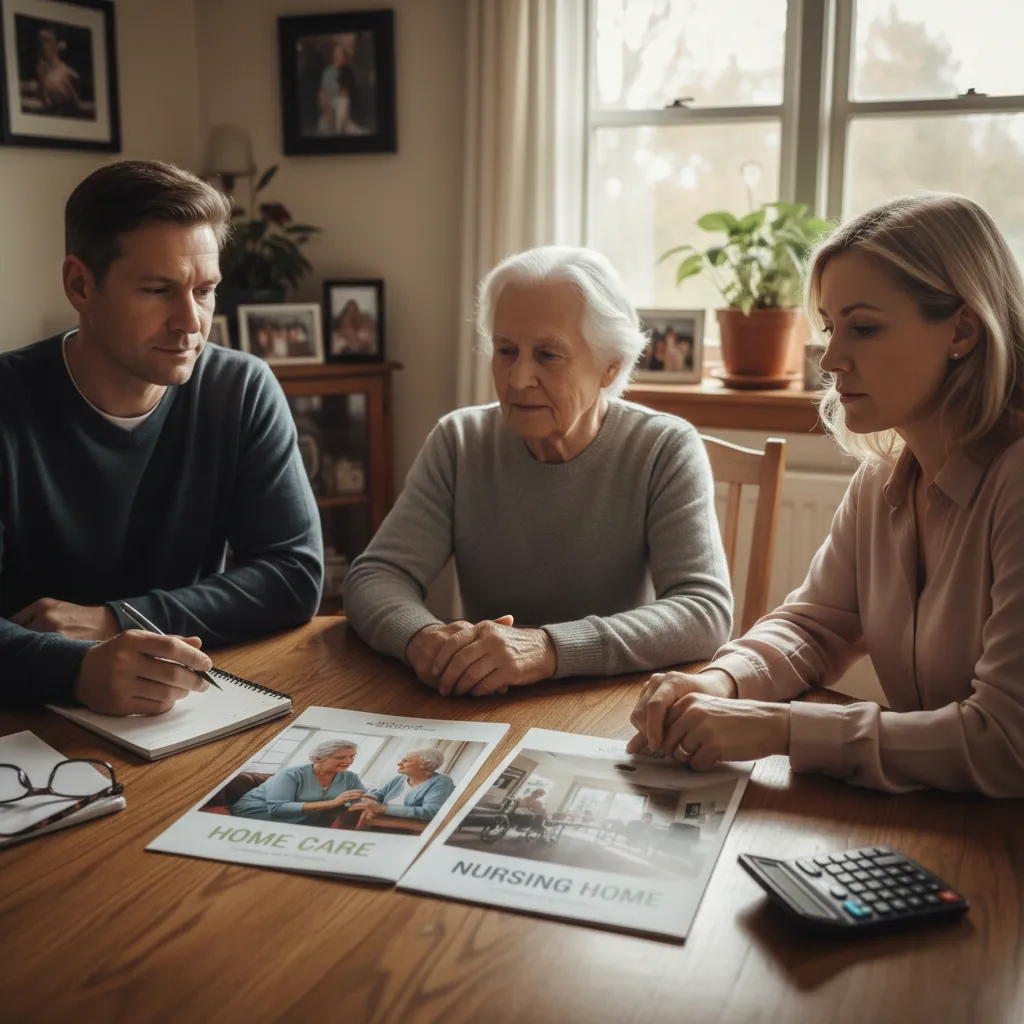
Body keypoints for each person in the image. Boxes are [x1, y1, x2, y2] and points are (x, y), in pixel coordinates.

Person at [627, 192, 1024, 797]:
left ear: (962, 330)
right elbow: (814, 627)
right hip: (941, 820)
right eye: (832, 328)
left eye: (863, 328)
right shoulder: (881, 480)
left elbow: (1005, 743)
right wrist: (722, 680)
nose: (832, 358)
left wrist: (781, 728)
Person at [0, 160, 323, 713]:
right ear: (81, 284)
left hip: (176, 707)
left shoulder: (240, 389)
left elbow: (292, 576)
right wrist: (74, 670)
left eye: (204, 290)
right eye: (157, 290)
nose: (190, 322)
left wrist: (116, 619)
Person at [343, 245, 732, 696]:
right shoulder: (460, 441)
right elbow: (374, 577)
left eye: (548, 355)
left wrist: (549, 649)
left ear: (611, 367)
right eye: (506, 350)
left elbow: (704, 612)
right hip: (484, 702)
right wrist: (420, 639)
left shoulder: (663, 448)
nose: (518, 378)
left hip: (611, 707)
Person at [231, 740, 365, 825]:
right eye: (341, 757)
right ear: (318, 758)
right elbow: (277, 808)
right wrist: (334, 803)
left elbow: (365, 797)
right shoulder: (290, 774)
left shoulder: (351, 777)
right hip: (258, 811)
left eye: (352, 756)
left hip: (304, 817)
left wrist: (366, 801)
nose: (348, 761)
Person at [349, 748, 455, 824]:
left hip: (406, 824)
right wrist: (368, 800)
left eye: (405, 761)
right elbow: (377, 795)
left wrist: (382, 809)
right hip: (380, 818)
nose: (399, 764)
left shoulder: (442, 781)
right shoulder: (400, 779)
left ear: (424, 764)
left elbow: (430, 811)